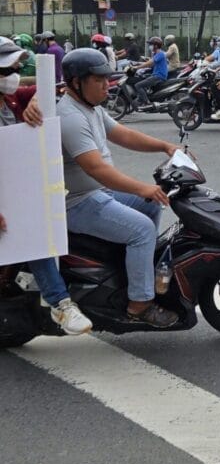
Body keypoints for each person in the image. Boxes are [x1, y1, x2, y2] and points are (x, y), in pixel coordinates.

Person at [57, 48, 179, 328]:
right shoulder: (71, 117)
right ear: (76, 83)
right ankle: (139, 305)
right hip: (77, 202)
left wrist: (164, 146)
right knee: (142, 230)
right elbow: (97, 170)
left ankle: (129, 270)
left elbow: (123, 135)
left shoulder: (91, 108)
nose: (106, 85)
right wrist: (141, 188)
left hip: (97, 194)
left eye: (107, 78)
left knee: (152, 203)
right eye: (98, 80)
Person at [0, 37, 92, 335]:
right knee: (33, 235)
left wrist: (36, 102)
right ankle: (60, 303)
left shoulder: (11, 100)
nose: (12, 76)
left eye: (15, 68)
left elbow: (47, 89)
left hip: (17, 190)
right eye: (5, 71)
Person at [134, 36, 168, 107]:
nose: (150, 46)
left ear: (156, 45)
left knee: (138, 85)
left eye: (151, 44)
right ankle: (141, 100)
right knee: (142, 79)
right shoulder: (156, 54)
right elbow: (150, 64)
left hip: (158, 76)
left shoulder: (160, 54)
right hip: (156, 75)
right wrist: (138, 64)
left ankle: (147, 102)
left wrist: (137, 67)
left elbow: (150, 63)